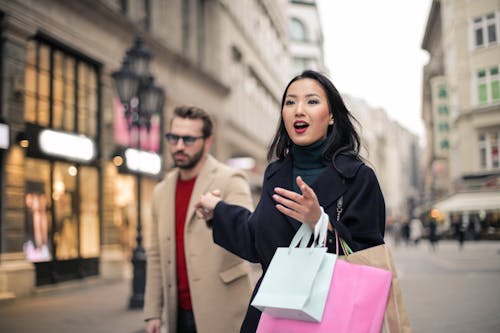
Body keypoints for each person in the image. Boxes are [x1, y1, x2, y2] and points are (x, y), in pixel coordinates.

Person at [196, 70, 386, 333]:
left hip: (332, 317)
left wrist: (320, 223)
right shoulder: (275, 173)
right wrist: (217, 212)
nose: (298, 110)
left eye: (311, 101)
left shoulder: (358, 177)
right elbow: (256, 241)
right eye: (290, 102)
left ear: (331, 116)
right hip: (274, 314)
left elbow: (370, 259)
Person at [144, 106, 257, 333]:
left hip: (223, 309)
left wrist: (218, 214)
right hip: (178, 313)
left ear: (207, 142)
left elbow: (248, 234)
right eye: (173, 138)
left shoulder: (231, 179)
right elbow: (156, 254)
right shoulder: (162, 190)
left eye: (188, 139)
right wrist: (153, 312)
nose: (178, 146)